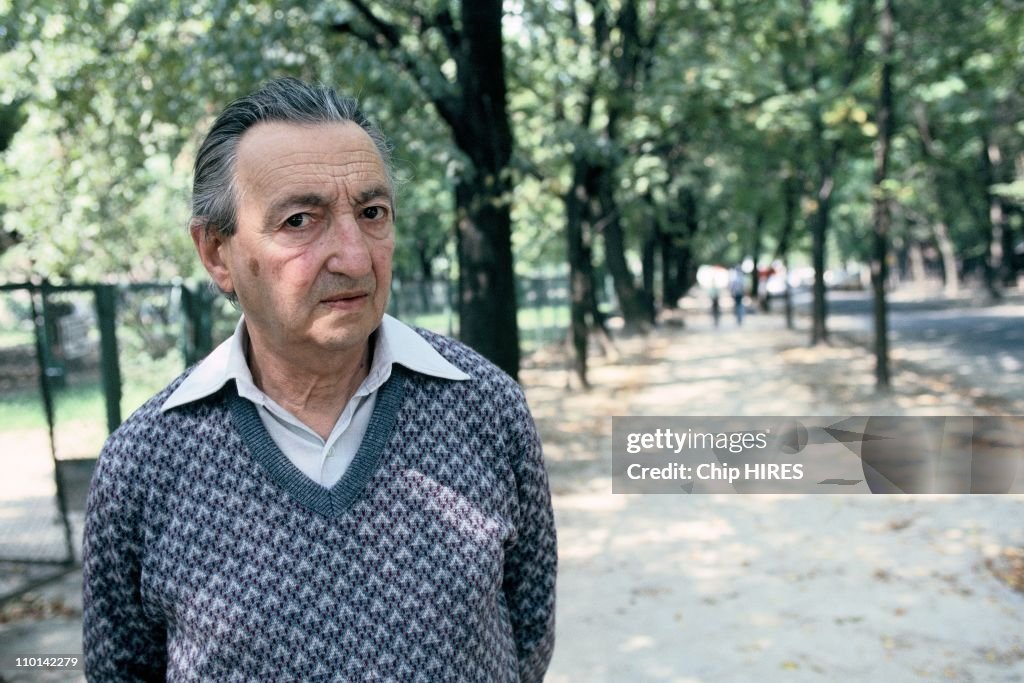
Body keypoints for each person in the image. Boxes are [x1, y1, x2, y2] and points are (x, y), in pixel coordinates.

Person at [82, 78, 557, 682]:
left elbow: (527, 634)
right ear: (216, 253)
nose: (355, 258)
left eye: (372, 213)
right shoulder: (145, 463)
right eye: (301, 220)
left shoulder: (486, 408)